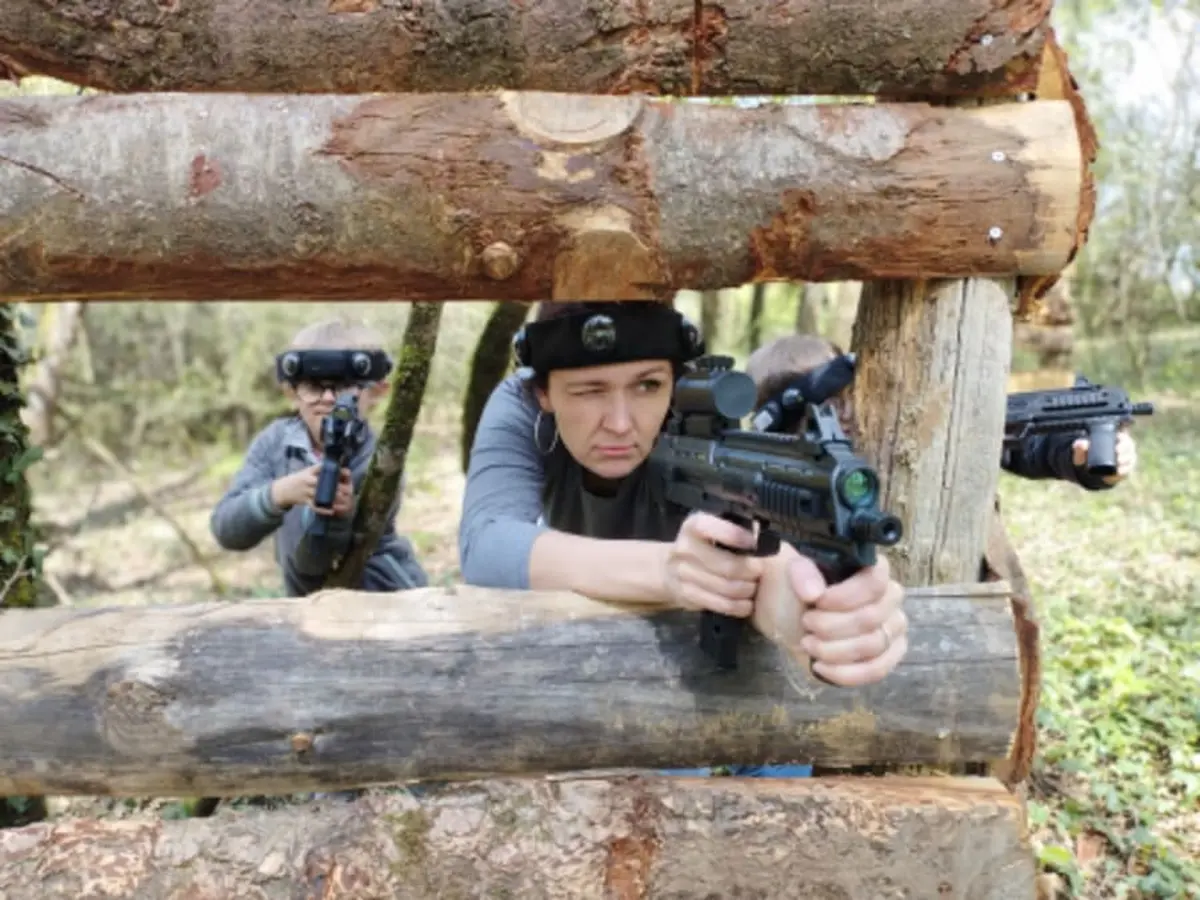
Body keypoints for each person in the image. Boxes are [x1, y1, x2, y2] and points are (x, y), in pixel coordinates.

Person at [458, 301, 909, 776]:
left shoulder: (699, 412)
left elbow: (753, 548)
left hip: (701, 666)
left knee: (777, 758)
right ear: (543, 393)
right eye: (588, 391)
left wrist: (811, 619)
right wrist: (667, 571)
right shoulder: (518, 405)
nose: (619, 422)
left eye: (647, 385)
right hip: (580, 659)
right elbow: (487, 546)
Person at [743, 333, 1139, 490]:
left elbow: (1023, 444)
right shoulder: (762, 477)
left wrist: (1081, 456)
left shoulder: (901, 428)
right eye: (827, 407)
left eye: (850, 397)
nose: (846, 415)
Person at [210, 317, 429, 597]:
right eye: (313, 387)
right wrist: (279, 494)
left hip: (388, 596)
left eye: (342, 387)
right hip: (311, 605)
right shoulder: (276, 443)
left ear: (376, 392)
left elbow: (314, 562)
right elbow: (226, 529)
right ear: (291, 392)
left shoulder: (379, 461)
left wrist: (337, 516)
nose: (327, 399)